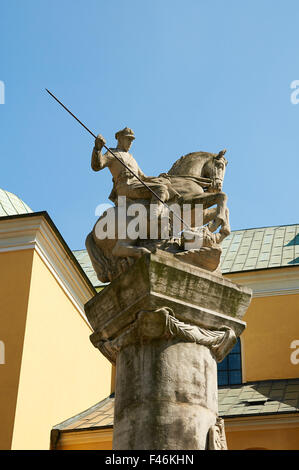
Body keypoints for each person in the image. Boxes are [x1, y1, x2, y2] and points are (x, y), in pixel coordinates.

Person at [91, 127, 181, 216]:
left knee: (164, 186)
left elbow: (143, 177)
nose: (131, 142)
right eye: (128, 139)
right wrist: (98, 149)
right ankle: (154, 216)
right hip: (125, 186)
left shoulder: (131, 157)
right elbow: (97, 166)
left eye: (132, 140)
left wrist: (159, 178)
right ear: (120, 139)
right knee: (160, 189)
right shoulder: (112, 153)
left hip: (135, 185)